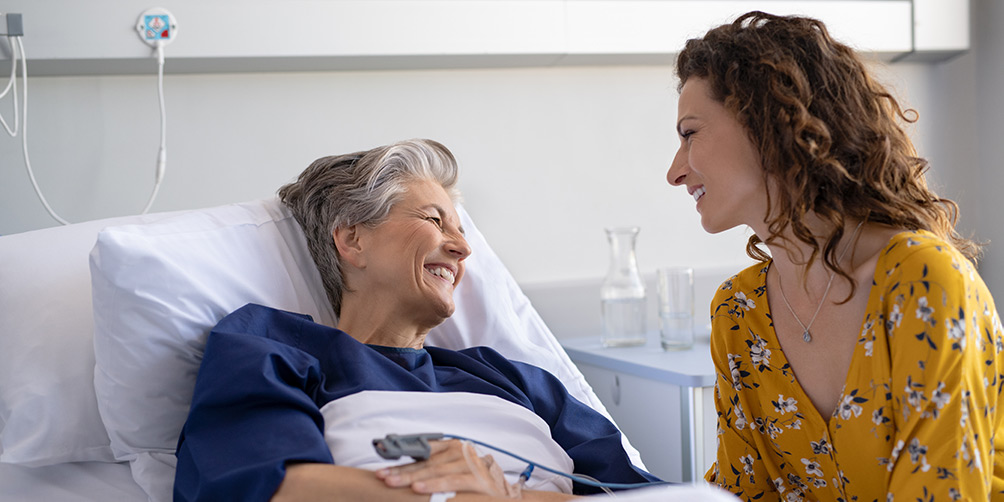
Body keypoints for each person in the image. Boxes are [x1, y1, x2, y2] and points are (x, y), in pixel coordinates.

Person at [172, 139, 661, 501]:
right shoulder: (271, 346)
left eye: (461, 231)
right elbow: (269, 484)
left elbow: (644, 496)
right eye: (434, 220)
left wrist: (508, 497)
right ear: (352, 241)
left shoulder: (515, 380)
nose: (463, 247)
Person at [665, 10, 1004, 501]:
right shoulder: (738, 314)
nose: (675, 172)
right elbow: (740, 496)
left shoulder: (923, 282)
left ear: (767, 121)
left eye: (689, 133)